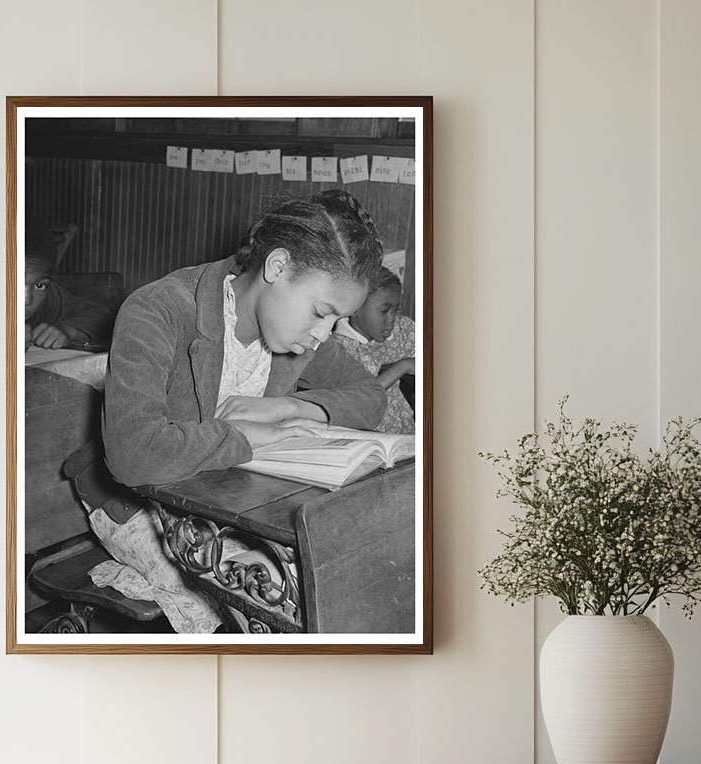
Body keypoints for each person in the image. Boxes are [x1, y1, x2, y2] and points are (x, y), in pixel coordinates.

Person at [69, 189, 388, 633]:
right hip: (137, 500)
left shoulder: (296, 334)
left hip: (235, 499)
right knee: (239, 606)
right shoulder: (157, 309)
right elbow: (133, 454)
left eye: (336, 322)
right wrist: (241, 435)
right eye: (321, 313)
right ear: (277, 267)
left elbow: (372, 394)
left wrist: (286, 407)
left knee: (324, 583)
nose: (323, 335)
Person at [331, 267, 416, 435]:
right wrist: (403, 366)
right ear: (354, 309)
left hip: (409, 434)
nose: (391, 319)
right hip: (370, 439)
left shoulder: (403, 330)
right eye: (384, 311)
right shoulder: (338, 349)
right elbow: (358, 398)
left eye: (396, 310)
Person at [25, 220, 116, 351]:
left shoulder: (48, 297)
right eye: (16, 283)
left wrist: (67, 331)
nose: (27, 300)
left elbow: (102, 316)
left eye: (39, 285)